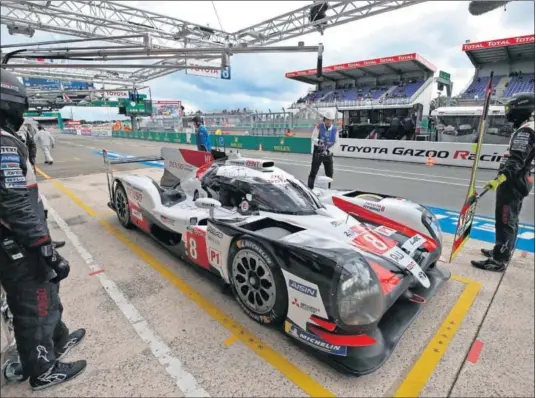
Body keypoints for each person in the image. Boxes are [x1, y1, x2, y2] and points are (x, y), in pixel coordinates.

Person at [0, 69, 86, 390]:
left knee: (47, 293)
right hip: (18, 244)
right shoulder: (4, 144)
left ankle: (57, 339)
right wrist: (41, 244)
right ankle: (43, 370)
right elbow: (13, 202)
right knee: (34, 302)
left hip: (20, 240)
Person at [471, 93, 535, 272]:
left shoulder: (526, 130)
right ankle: (501, 249)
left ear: (520, 109)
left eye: (511, 108)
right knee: (510, 218)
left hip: (513, 181)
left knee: (506, 219)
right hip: (519, 179)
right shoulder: (527, 127)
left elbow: (515, 161)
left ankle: (499, 260)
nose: (508, 112)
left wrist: (498, 179)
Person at [15, 123, 66, 250]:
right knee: (34, 211)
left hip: (27, 178)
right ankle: (42, 242)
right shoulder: (19, 132)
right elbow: (30, 146)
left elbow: (32, 144)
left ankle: (44, 242)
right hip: (25, 180)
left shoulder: (22, 131)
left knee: (37, 211)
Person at [307, 109, 337, 189]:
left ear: (332, 121)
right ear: (324, 119)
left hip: (328, 154)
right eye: (327, 119)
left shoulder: (335, 129)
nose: (328, 122)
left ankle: (328, 190)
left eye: (330, 120)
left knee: (330, 174)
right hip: (318, 153)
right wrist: (319, 141)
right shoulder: (319, 126)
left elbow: (336, 142)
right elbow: (313, 137)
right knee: (313, 173)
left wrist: (329, 151)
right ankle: (310, 189)